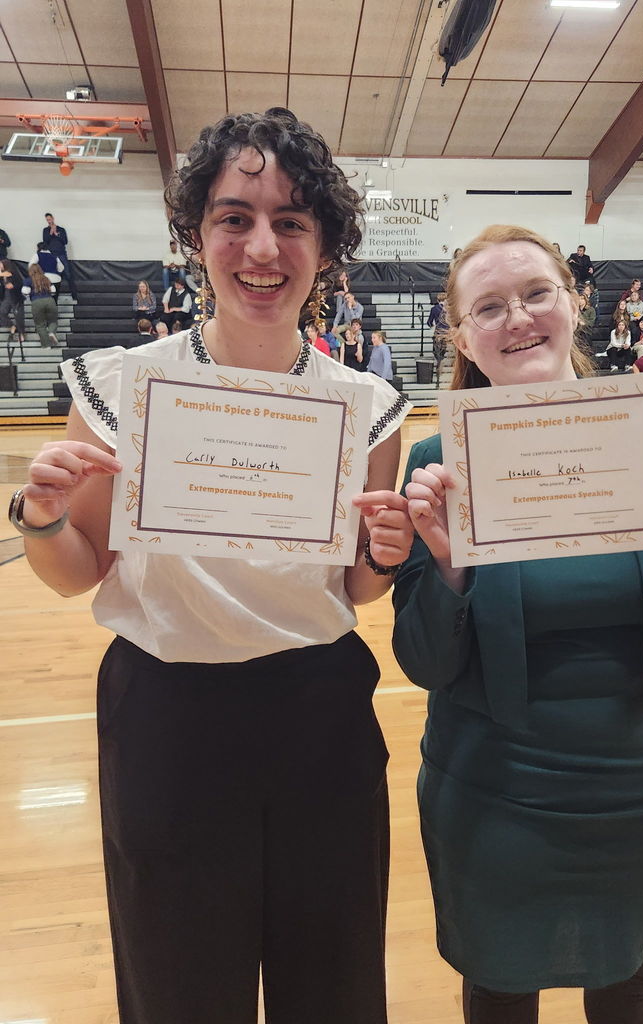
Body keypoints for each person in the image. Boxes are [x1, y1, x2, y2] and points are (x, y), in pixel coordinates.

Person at [12, 107, 412, 1024]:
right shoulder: (119, 386)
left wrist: (385, 556)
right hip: (168, 718)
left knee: (335, 985)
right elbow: (78, 572)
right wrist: (41, 518)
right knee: (179, 989)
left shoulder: (367, 404)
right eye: (235, 217)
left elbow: (355, 587)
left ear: (325, 247)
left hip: (320, 716)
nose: (262, 247)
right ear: (197, 235)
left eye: (291, 221)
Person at [392, 223, 643, 1024]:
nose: (518, 318)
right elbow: (423, 661)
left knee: (631, 991)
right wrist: (448, 568)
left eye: (535, 294)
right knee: (499, 992)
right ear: (462, 336)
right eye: (490, 307)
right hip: (494, 798)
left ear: (574, 303)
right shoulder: (434, 464)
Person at [21, 262, 58, 347]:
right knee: (53, 321)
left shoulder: (28, 280)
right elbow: (53, 291)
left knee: (40, 325)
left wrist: (30, 297)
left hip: (36, 302)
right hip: (49, 300)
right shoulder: (46, 279)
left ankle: (47, 345)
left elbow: (25, 292)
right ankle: (51, 332)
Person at [43, 212, 76, 299]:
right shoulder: (45, 230)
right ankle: (54, 297)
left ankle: (74, 296)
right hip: (51, 255)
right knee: (54, 275)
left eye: (50, 219)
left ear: (53, 218)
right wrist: (51, 233)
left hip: (61, 254)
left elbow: (65, 241)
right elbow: (45, 242)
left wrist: (57, 235)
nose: (49, 221)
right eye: (47, 220)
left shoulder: (61, 229)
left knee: (68, 274)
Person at [0, 257, 25, 343]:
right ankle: (11, 325)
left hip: (16, 296)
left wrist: (13, 286)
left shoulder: (13, 273)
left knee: (18, 316)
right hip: (6, 296)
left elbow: (20, 283)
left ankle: (21, 334)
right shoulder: (2, 275)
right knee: (2, 312)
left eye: (1, 264)